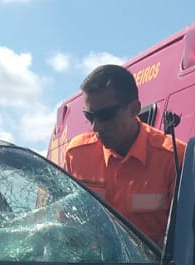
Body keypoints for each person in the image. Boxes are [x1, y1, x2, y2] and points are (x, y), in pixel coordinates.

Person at [56, 64, 182, 245]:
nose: (96, 127)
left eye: (106, 115)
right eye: (89, 117)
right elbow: (62, 227)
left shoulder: (173, 159)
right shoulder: (76, 155)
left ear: (134, 109)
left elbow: (188, 242)